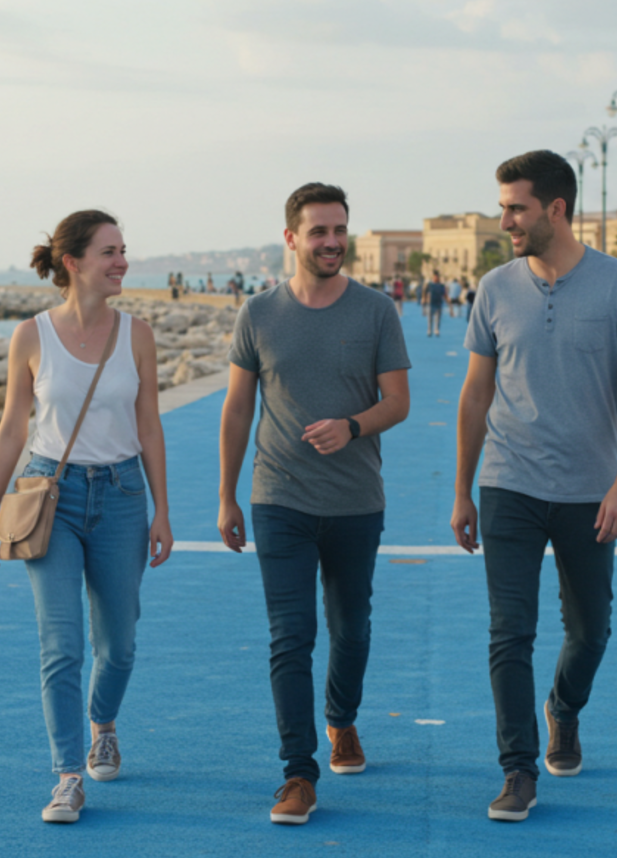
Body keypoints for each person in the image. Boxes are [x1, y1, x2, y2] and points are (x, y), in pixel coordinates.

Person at [451, 151, 617, 823]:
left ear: (556, 209)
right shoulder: (495, 287)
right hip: (508, 483)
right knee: (510, 632)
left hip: (590, 490)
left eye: (516, 208)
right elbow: (476, 393)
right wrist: (462, 490)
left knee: (591, 629)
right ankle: (516, 769)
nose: (503, 219)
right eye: (503, 207)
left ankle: (563, 708)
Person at [218, 182, 411, 826]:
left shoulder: (377, 311)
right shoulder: (258, 315)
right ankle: (298, 773)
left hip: (356, 499)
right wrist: (226, 495)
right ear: (291, 238)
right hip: (279, 497)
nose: (332, 242)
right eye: (319, 231)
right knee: (290, 636)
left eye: (340, 230)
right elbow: (239, 408)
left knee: (351, 628)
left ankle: (343, 721)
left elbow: (398, 403)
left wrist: (352, 426)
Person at [0, 210, 173, 825]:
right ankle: (66, 776)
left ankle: (103, 724)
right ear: (74, 262)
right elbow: (12, 427)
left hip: (120, 495)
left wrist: (163, 510)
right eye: (110, 251)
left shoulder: (137, 334)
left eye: (122, 250)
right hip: (49, 496)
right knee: (60, 644)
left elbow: (148, 425)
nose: (122, 262)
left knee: (118, 645)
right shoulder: (31, 335)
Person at [424, 270, 449, 337]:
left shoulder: (441, 286)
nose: (436, 278)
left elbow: (445, 294)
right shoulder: (430, 285)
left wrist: (448, 301)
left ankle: (436, 330)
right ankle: (429, 330)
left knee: (438, 318)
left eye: (437, 277)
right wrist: (424, 299)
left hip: (439, 303)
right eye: (435, 277)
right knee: (430, 318)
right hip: (431, 303)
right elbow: (425, 292)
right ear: (433, 277)